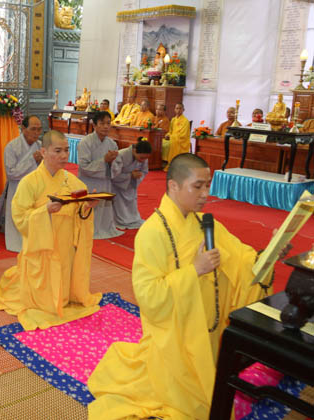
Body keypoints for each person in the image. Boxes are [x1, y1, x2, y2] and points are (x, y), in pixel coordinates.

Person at [88, 153, 287, 419]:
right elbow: (148, 295)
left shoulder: (205, 224)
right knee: (197, 410)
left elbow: (244, 262)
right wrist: (194, 271)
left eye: (208, 185)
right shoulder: (152, 233)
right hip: (175, 341)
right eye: (198, 186)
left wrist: (270, 253)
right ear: (173, 185)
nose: (206, 194)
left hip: (208, 334)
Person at [0, 130, 102, 330]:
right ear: (43, 152)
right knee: (44, 302)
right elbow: (20, 218)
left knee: (64, 284)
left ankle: (64, 297)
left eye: (66, 150)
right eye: (58, 151)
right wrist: (45, 211)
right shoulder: (29, 182)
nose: (64, 155)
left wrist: (88, 206)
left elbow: (80, 211)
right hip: (41, 247)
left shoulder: (72, 181)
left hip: (65, 245)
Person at [0, 115, 42, 252]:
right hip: (17, 187)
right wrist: (32, 160)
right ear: (23, 128)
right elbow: (11, 173)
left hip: (36, 188)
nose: (37, 133)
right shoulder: (12, 147)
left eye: (39, 129)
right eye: (33, 129)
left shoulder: (40, 146)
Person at [77, 112, 123, 239]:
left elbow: (118, 165)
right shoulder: (85, 142)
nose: (106, 126)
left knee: (103, 207)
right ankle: (87, 228)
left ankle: (104, 227)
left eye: (108, 123)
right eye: (102, 123)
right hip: (89, 183)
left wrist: (111, 162)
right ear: (94, 125)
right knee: (90, 207)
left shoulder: (112, 144)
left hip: (105, 182)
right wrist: (104, 160)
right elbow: (84, 166)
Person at [111, 139, 151, 229]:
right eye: (141, 158)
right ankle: (120, 220)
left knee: (132, 206)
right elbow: (113, 175)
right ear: (134, 151)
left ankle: (132, 219)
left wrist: (138, 176)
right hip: (117, 185)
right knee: (120, 208)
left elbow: (144, 171)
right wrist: (130, 175)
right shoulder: (121, 155)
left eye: (145, 158)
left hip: (131, 184)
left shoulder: (143, 157)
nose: (143, 160)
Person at [162, 103, 190, 170]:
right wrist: (167, 135)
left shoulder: (185, 121)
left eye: (180, 108)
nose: (178, 110)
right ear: (174, 109)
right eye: (177, 108)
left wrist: (171, 137)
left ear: (183, 110)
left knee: (173, 142)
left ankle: (176, 165)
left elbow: (183, 135)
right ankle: (163, 162)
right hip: (173, 138)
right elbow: (170, 131)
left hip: (182, 141)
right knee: (162, 143)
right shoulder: (173, 120)